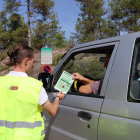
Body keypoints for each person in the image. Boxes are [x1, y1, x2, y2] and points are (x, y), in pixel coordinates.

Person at [0, 44, 64, 140]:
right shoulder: (36, 86)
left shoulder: (1, 82)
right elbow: (52, 111)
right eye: (33, 61)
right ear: (26, 61)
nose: (33, 65)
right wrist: (58, 97)